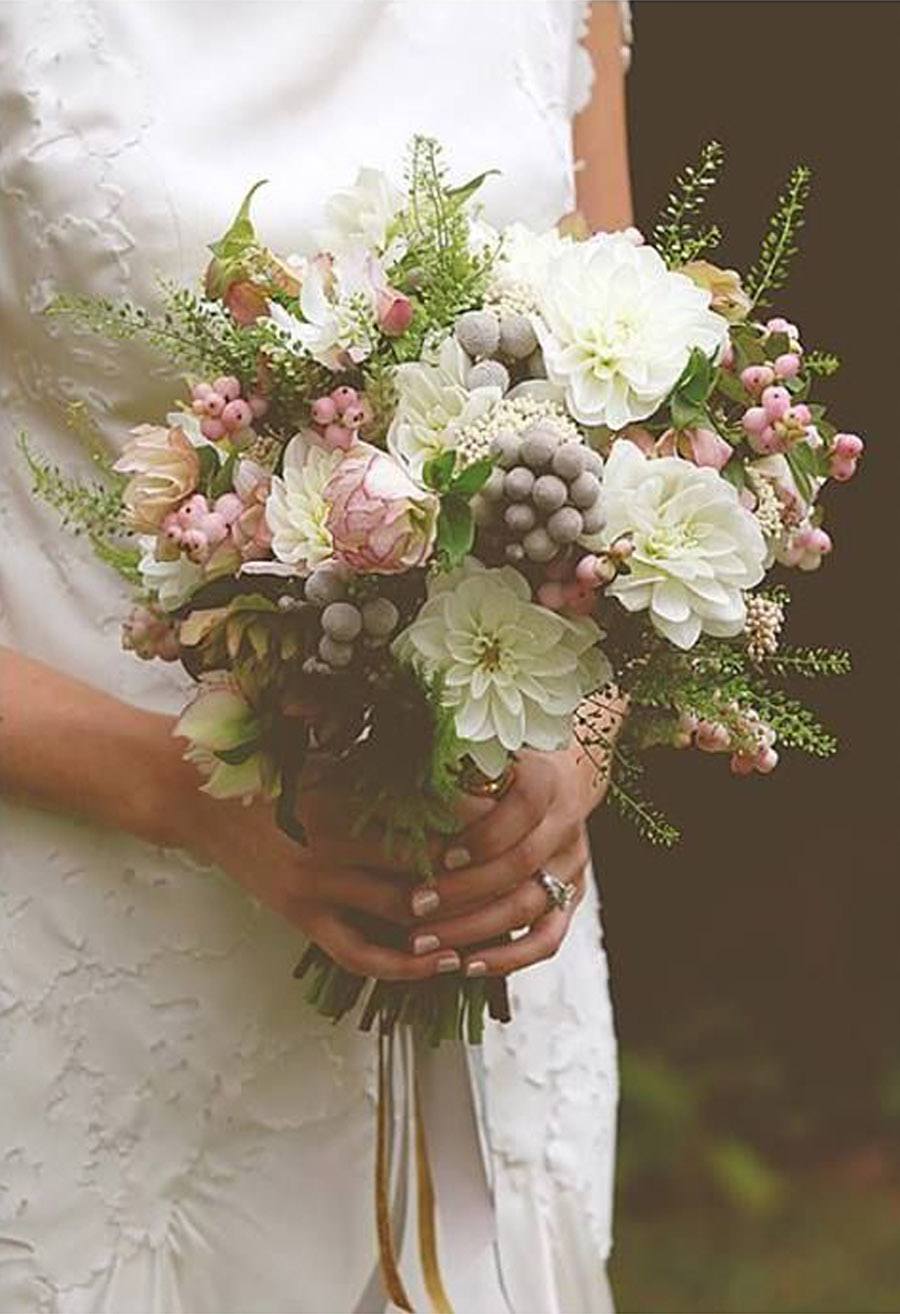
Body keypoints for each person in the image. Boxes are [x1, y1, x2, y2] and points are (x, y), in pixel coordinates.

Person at [0, 3, 632, 1310]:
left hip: (487, 953)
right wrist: (188, 792)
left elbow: (631, 416)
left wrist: (574, 754)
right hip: (93, 942)